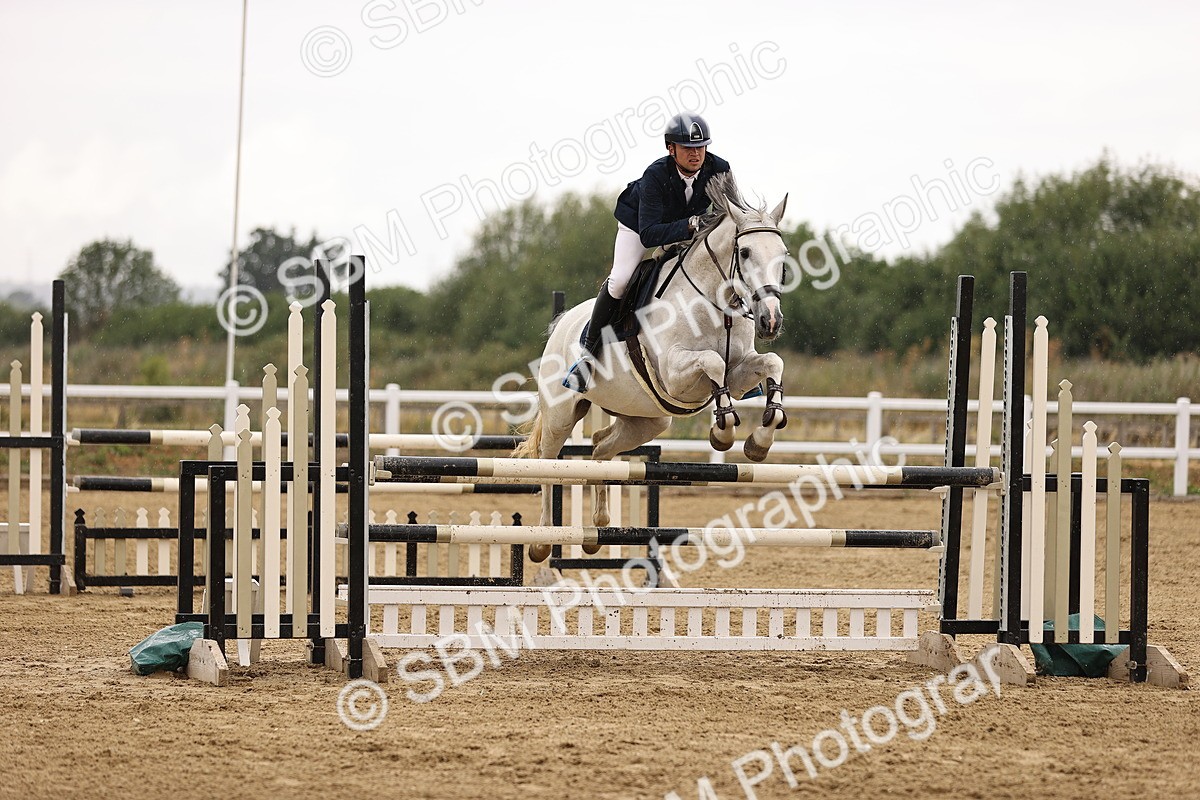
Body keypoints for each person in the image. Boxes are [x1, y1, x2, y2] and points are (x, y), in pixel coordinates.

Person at [563, 112, 732, 393]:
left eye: (701, 147)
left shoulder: (719, 168)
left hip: (688, 227)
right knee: (620, 280)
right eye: (688, 148)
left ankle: (735, 355)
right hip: (640, 226)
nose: (696, 154)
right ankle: (588, 356)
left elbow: (729, 213)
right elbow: (650, 234)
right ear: (671, 149)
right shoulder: (655, 175)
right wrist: (690, 224)